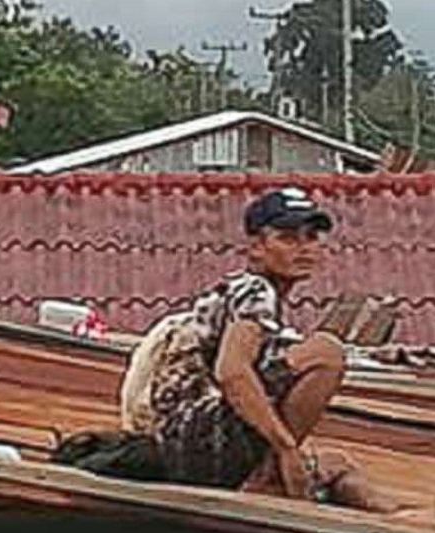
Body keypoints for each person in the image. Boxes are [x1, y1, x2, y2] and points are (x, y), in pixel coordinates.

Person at [119, 187, 347, 500]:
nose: (304, 249)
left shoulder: (251, 295)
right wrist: (286, 448)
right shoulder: (254, 291)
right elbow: (232, 372)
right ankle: (265, 479)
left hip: (184, 440)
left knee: (340, 467)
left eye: (311, 238)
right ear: (256, 247)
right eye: (288, 238)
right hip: (192, 440)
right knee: (326, 352)